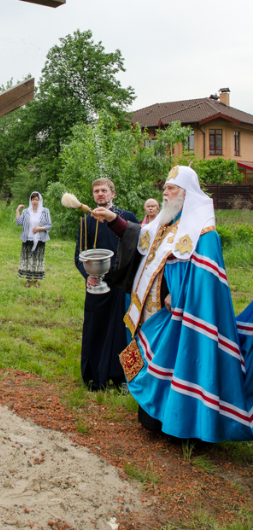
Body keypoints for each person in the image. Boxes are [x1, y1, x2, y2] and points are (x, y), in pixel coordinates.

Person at [95, 165, 253, 442]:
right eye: (165, 188)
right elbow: (138, 237)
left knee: (180, 362)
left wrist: (178, 295)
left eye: (171, 189)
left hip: (181, 313)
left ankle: (183, 426)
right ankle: (155, 418)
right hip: (152, 309)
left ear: (186, 193)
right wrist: (112, 219)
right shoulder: (165, 223)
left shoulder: (204, 232)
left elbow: (206, 281)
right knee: (156, 361)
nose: (165, 193)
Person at [74, 178, 139, 390]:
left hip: (121, 285)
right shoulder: (86, 222)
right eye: (96, 191)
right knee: (95, 328)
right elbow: (79, 256)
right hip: (97, 285)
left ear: (113, 193)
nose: (100, 194)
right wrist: (88, 275)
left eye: (104, 190)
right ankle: (96, 376)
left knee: (122, 331)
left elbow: (140, 249)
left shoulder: (127, 218)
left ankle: (121, 377)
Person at [15, 192, 52, 288]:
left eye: (36, 200)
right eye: (33, 200)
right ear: (30, 201)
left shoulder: (45, 211)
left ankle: (36, 281)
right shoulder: (26, 211)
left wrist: (40, 228)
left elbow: (49, 225)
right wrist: (18, 210)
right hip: (28, 239)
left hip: (40, 239)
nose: (34, 202)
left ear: (39, 201)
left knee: (37, 260)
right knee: (28, 260)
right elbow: (19, 223)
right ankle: (28, 281)